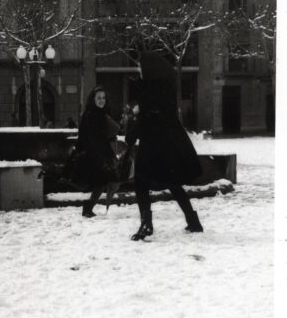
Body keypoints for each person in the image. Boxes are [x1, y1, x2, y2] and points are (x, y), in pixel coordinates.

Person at [128, 51, 203, 240]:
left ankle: (146, 223)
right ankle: (193, 221)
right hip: (167, 146)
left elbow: (147, 119)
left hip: (151, 147)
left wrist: (136, 119)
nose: (138, 69)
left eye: (140, 66)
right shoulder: (166, 88)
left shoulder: (149, 90)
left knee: (140, 182)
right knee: (173, 182)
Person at [75, 85, 120, 218]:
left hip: (98, 153)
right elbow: (93, 138)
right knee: (102, 181)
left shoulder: (99, 113)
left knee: (101, 182)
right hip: (94, 154)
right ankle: (88, 207)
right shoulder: (91, 114)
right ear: (93, 99)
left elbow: (102, 135)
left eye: (103, 98)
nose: (102, 100)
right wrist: (107, 155)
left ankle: (88, 207)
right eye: (99, 98)